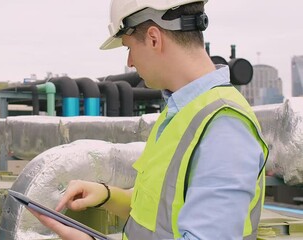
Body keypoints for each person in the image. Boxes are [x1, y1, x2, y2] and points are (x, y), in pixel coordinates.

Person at [29, 0, 269, 239]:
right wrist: (106, 195)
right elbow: (158, 208)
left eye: (129, 48)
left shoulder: (224, 126)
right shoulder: (183, 111)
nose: (130, 62)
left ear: (154, 39)